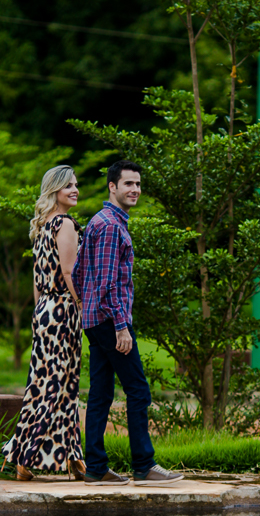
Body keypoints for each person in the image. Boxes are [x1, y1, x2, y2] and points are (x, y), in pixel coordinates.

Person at [72, 159, 184, 485]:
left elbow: (78, 273)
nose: (135, 189)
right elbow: (108, 284)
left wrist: (89, 309)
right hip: (110, 320)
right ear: (112, 186)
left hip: (96, 319)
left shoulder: (101, 221)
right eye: (128, 184)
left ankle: (95, 468)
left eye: (138, 184)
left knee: (101, 393)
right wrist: (121, 325)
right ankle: (144, 465)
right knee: (137, 390)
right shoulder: (110, 226)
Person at [1, 164, 86, 482]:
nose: (75, 190)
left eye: (76, 185)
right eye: (68, 186)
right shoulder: (65, 224)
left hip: (45, 309)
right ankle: (24, 456)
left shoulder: (43, 225)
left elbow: (38, 278)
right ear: (54, 191)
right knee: (59, 386)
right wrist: (82, 305)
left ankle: (74, 458)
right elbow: (69, 272)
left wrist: (40, 313)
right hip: (63, 309)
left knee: (50, 385)